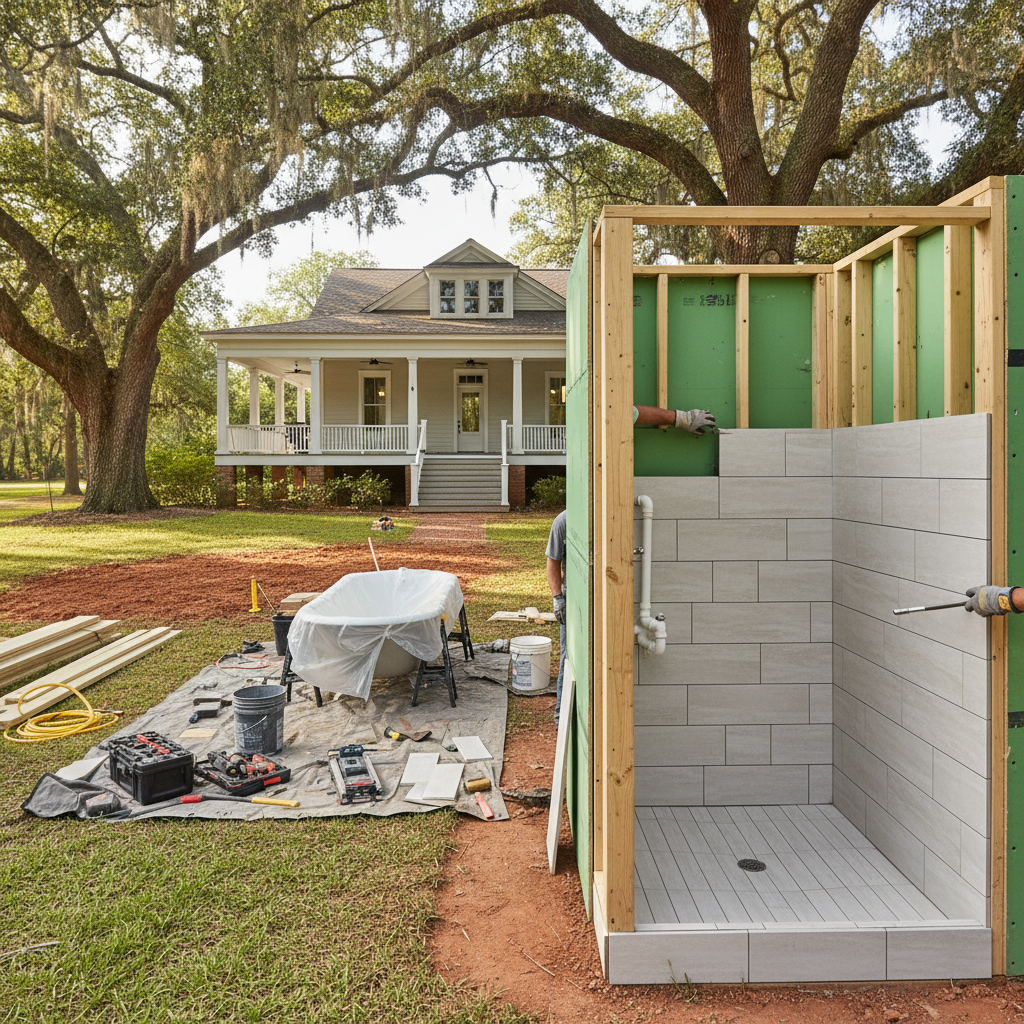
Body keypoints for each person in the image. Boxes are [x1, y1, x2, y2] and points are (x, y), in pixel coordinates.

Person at [545, 404, 716, 725]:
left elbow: (633, 412)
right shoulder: (565, 522)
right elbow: (553, 562)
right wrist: (559, 600)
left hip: (610, 600)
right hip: (576, 602)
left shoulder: (610, 411)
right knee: (571, 656)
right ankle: (561, 718)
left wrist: (680, 419)